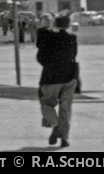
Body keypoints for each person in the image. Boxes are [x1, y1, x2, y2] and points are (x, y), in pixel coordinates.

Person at [36, 14, 77, 148]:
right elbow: (73, 55)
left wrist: (49, 65)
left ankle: (56, 125)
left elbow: (40, 56)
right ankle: (64, 138)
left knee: (46, 104)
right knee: (66, 109)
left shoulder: (47, 37)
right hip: (69, 77)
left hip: (50, 77)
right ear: (68, 25)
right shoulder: (72, 38)